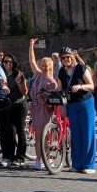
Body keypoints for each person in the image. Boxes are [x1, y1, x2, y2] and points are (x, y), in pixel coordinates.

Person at [55, 47, 96, 173]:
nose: (66, 59)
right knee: (75, 134)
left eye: (68, 57)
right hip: (71, 104)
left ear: (72, 57)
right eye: (63, 58)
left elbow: (92, 86)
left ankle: (89, 165)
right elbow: (60, 88)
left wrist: (81, 86)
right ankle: (77, 164)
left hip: (85, 102)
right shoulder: (62, 71)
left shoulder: (80, 68)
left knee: (88, 133)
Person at [27, 38, 59, 170]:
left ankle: (48, 158)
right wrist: (31, 46)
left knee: (44, 136)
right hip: (35, 108)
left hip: (45, 110)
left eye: (48, 65)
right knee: (38, 136)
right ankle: (39, 159)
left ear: (51, 67)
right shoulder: (38, 75)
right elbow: (32, 61)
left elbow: (53, 98)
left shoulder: (52, 81)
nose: (45, 67)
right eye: (43, 65)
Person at [0, 53, 29, 167]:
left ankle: (20, 157)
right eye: (6, 61)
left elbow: (25, 92)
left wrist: (19, 84)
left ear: (13, 63)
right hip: (8, 105)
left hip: (20, 104)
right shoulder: (1, 73)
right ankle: (9, 156)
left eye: (10, 62)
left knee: (20, 131)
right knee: (10, 131)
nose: (8, 64)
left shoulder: (18, 74)